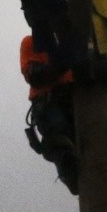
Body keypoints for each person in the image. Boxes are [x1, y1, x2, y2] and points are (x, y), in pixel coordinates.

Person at [21, 36, 79, 195]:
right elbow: (34, 75)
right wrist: (60, 65)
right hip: (48, 105)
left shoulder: (73, 41)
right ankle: (72, 177)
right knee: (61, 142)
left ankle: (104, 182)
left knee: (93, 142)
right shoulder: (31, 42)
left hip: (74, 104)